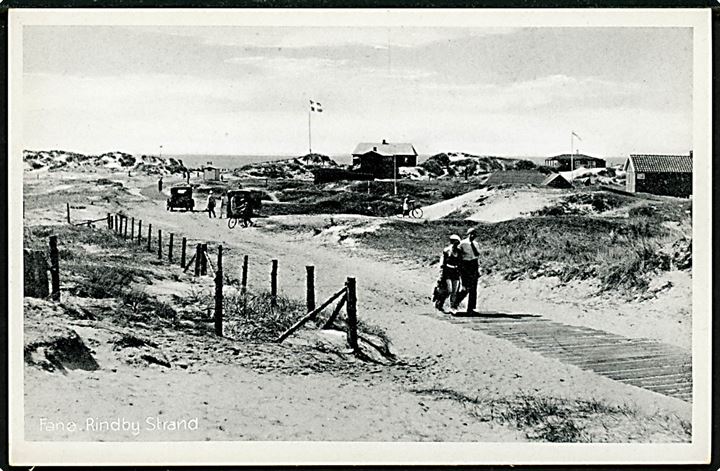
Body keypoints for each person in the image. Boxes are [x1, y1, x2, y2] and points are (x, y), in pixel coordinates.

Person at [452, 228, 481, 314]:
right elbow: (458, 255)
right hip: (465, 265)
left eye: (474, 234)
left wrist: (477, 269)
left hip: (474, 265)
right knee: (465, 288)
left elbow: (477, 255)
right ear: (468, 234)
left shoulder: (476, 244)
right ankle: (455, 302)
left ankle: (471, 308)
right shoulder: (462, 244)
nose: (473, 236)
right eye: (471, 234)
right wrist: (460, 268)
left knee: (473, 288)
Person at [433, 234, 462, 312]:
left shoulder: (459, 251)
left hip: (455, 271)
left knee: (455, 291)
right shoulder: (447, 250)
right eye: (454, 242)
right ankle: (440, 302)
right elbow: (443, 262)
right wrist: (442, 272)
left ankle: (452, 307)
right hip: (448, 271)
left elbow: (460, 262)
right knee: (449, 290)